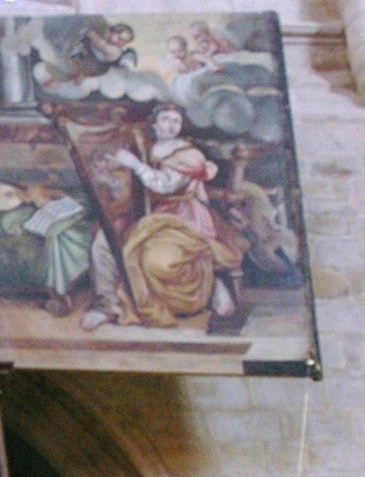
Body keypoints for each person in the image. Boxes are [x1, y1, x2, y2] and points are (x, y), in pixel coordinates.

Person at [80, 103, 245, 332]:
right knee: (104, 242)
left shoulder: (188, 154)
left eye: (176, 121)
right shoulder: (144, 148)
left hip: (182, 218)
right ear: (155, 123)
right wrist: (107, 178)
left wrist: (135, 165)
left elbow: (165, 185)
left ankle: (209, 290)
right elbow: (128, 187)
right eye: (166, 119)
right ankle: (107, 306)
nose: (172, 125)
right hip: (148, 214)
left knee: (158, 262)